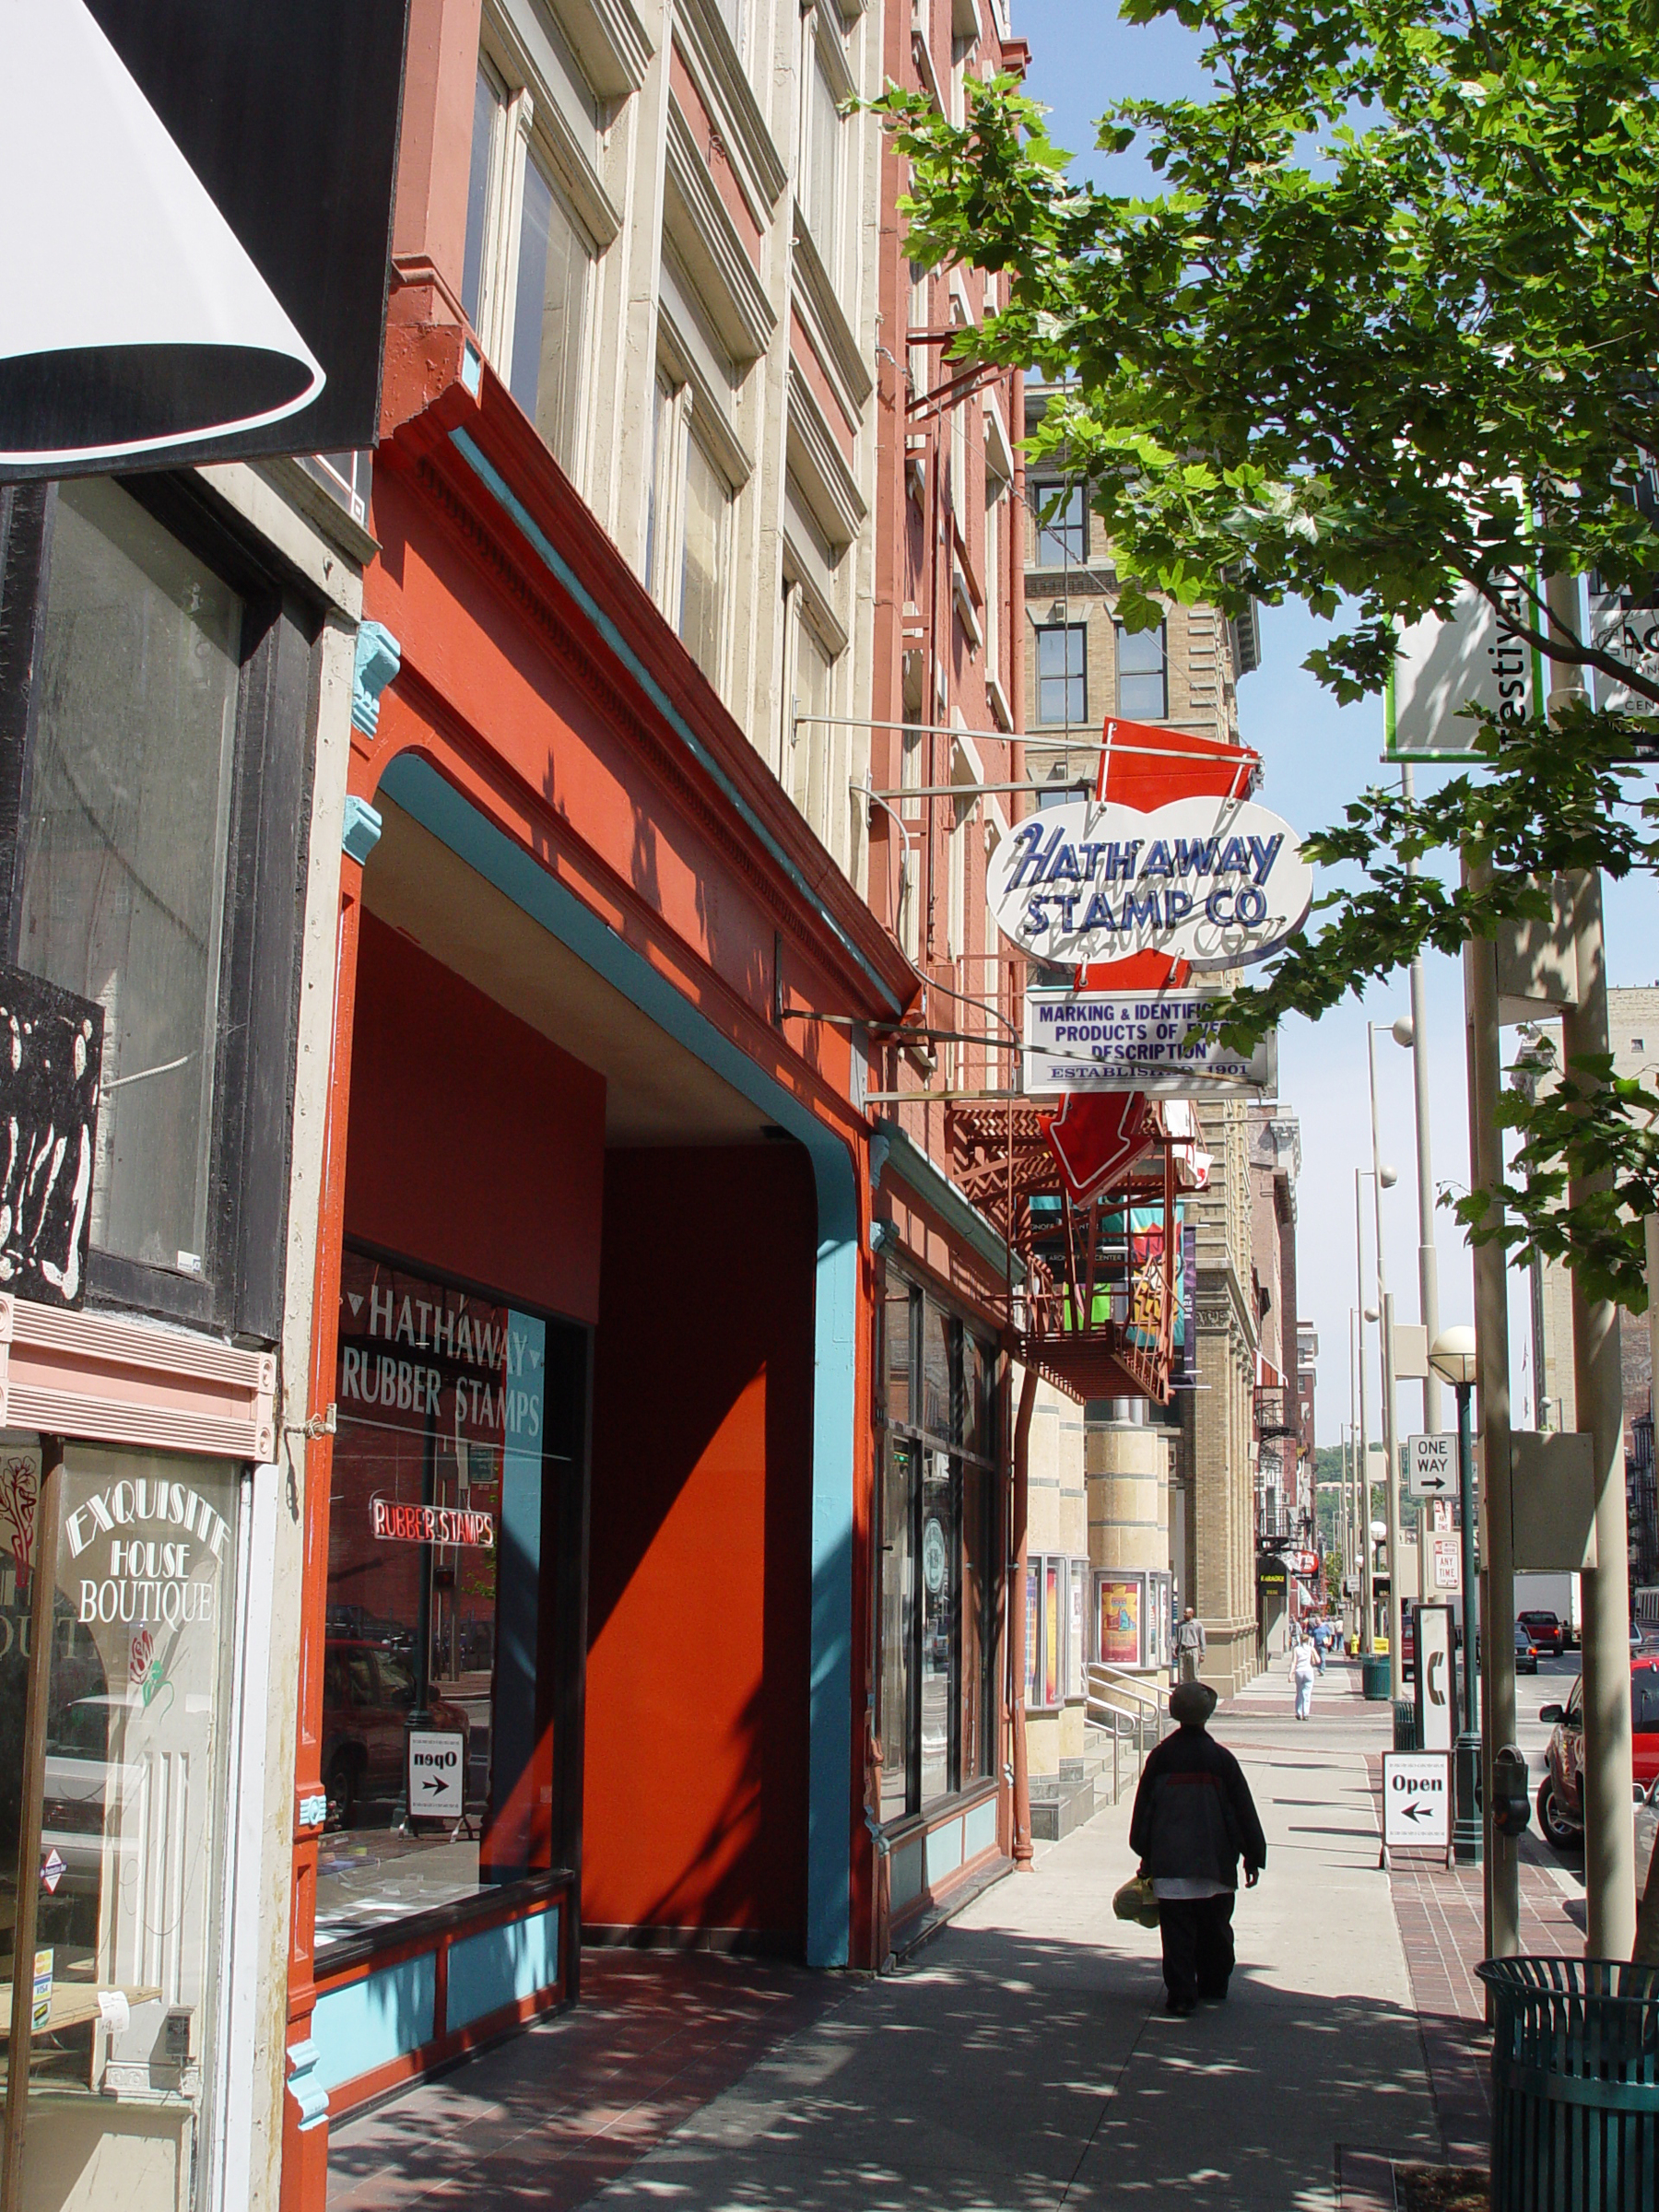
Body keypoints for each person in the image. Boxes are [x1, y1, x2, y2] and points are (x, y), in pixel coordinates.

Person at [1129, 1679, 1267, 2016]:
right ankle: (1214, 1983)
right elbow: (1243, 1810)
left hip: (1171, 1866)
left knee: (1176, 1936)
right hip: (1215, 1865)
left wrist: (1145, 1853)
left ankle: (1181, 1995)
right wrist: (1253, 1855)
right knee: (1216, 1929)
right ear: (1206, 1716)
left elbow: (1144, 1812)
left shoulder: (1161, 1758)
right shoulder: (1221, 1759)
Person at [1290, 1629, 1320, 1721]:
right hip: (1308, 1671)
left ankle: (1299, 1713)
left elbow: (1294, 1662)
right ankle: (1306, 1713)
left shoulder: (1296, 1649)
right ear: (1308, 1640)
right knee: (1307, 1693)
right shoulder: (1311, 1649)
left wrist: (1291, 1674)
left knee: (1299, 1692)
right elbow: (1318, 1660)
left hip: (1299, 1671)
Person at [1173, 1606, 1206, 1684]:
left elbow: (1202, 1639)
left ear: (1191, 1614)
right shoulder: (1180, 1625)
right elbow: (1176, 1638)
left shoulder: (1197, 1625)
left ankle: (1196, 1689)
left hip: (1193, 1649)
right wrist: (1174, 1650)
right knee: (1182, 1672)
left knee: (1194, 1672)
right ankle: (1182, 1689)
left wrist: (1202, 1653)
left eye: (1186, 1613)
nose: (1184, 1614)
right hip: (1183, 1650)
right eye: (1184, 1613)